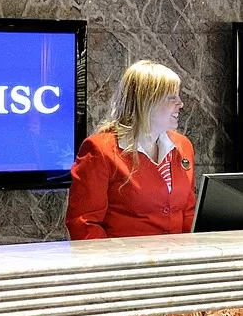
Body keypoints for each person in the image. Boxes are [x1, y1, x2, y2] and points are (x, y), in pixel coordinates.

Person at [66, 60, 196, 239]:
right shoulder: (100, 149)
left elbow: (188, 215)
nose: (180, 104)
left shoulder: (183, 146)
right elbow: (84, 224)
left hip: (178, 255)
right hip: (123, 256)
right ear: (147, 101)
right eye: (172, 98)